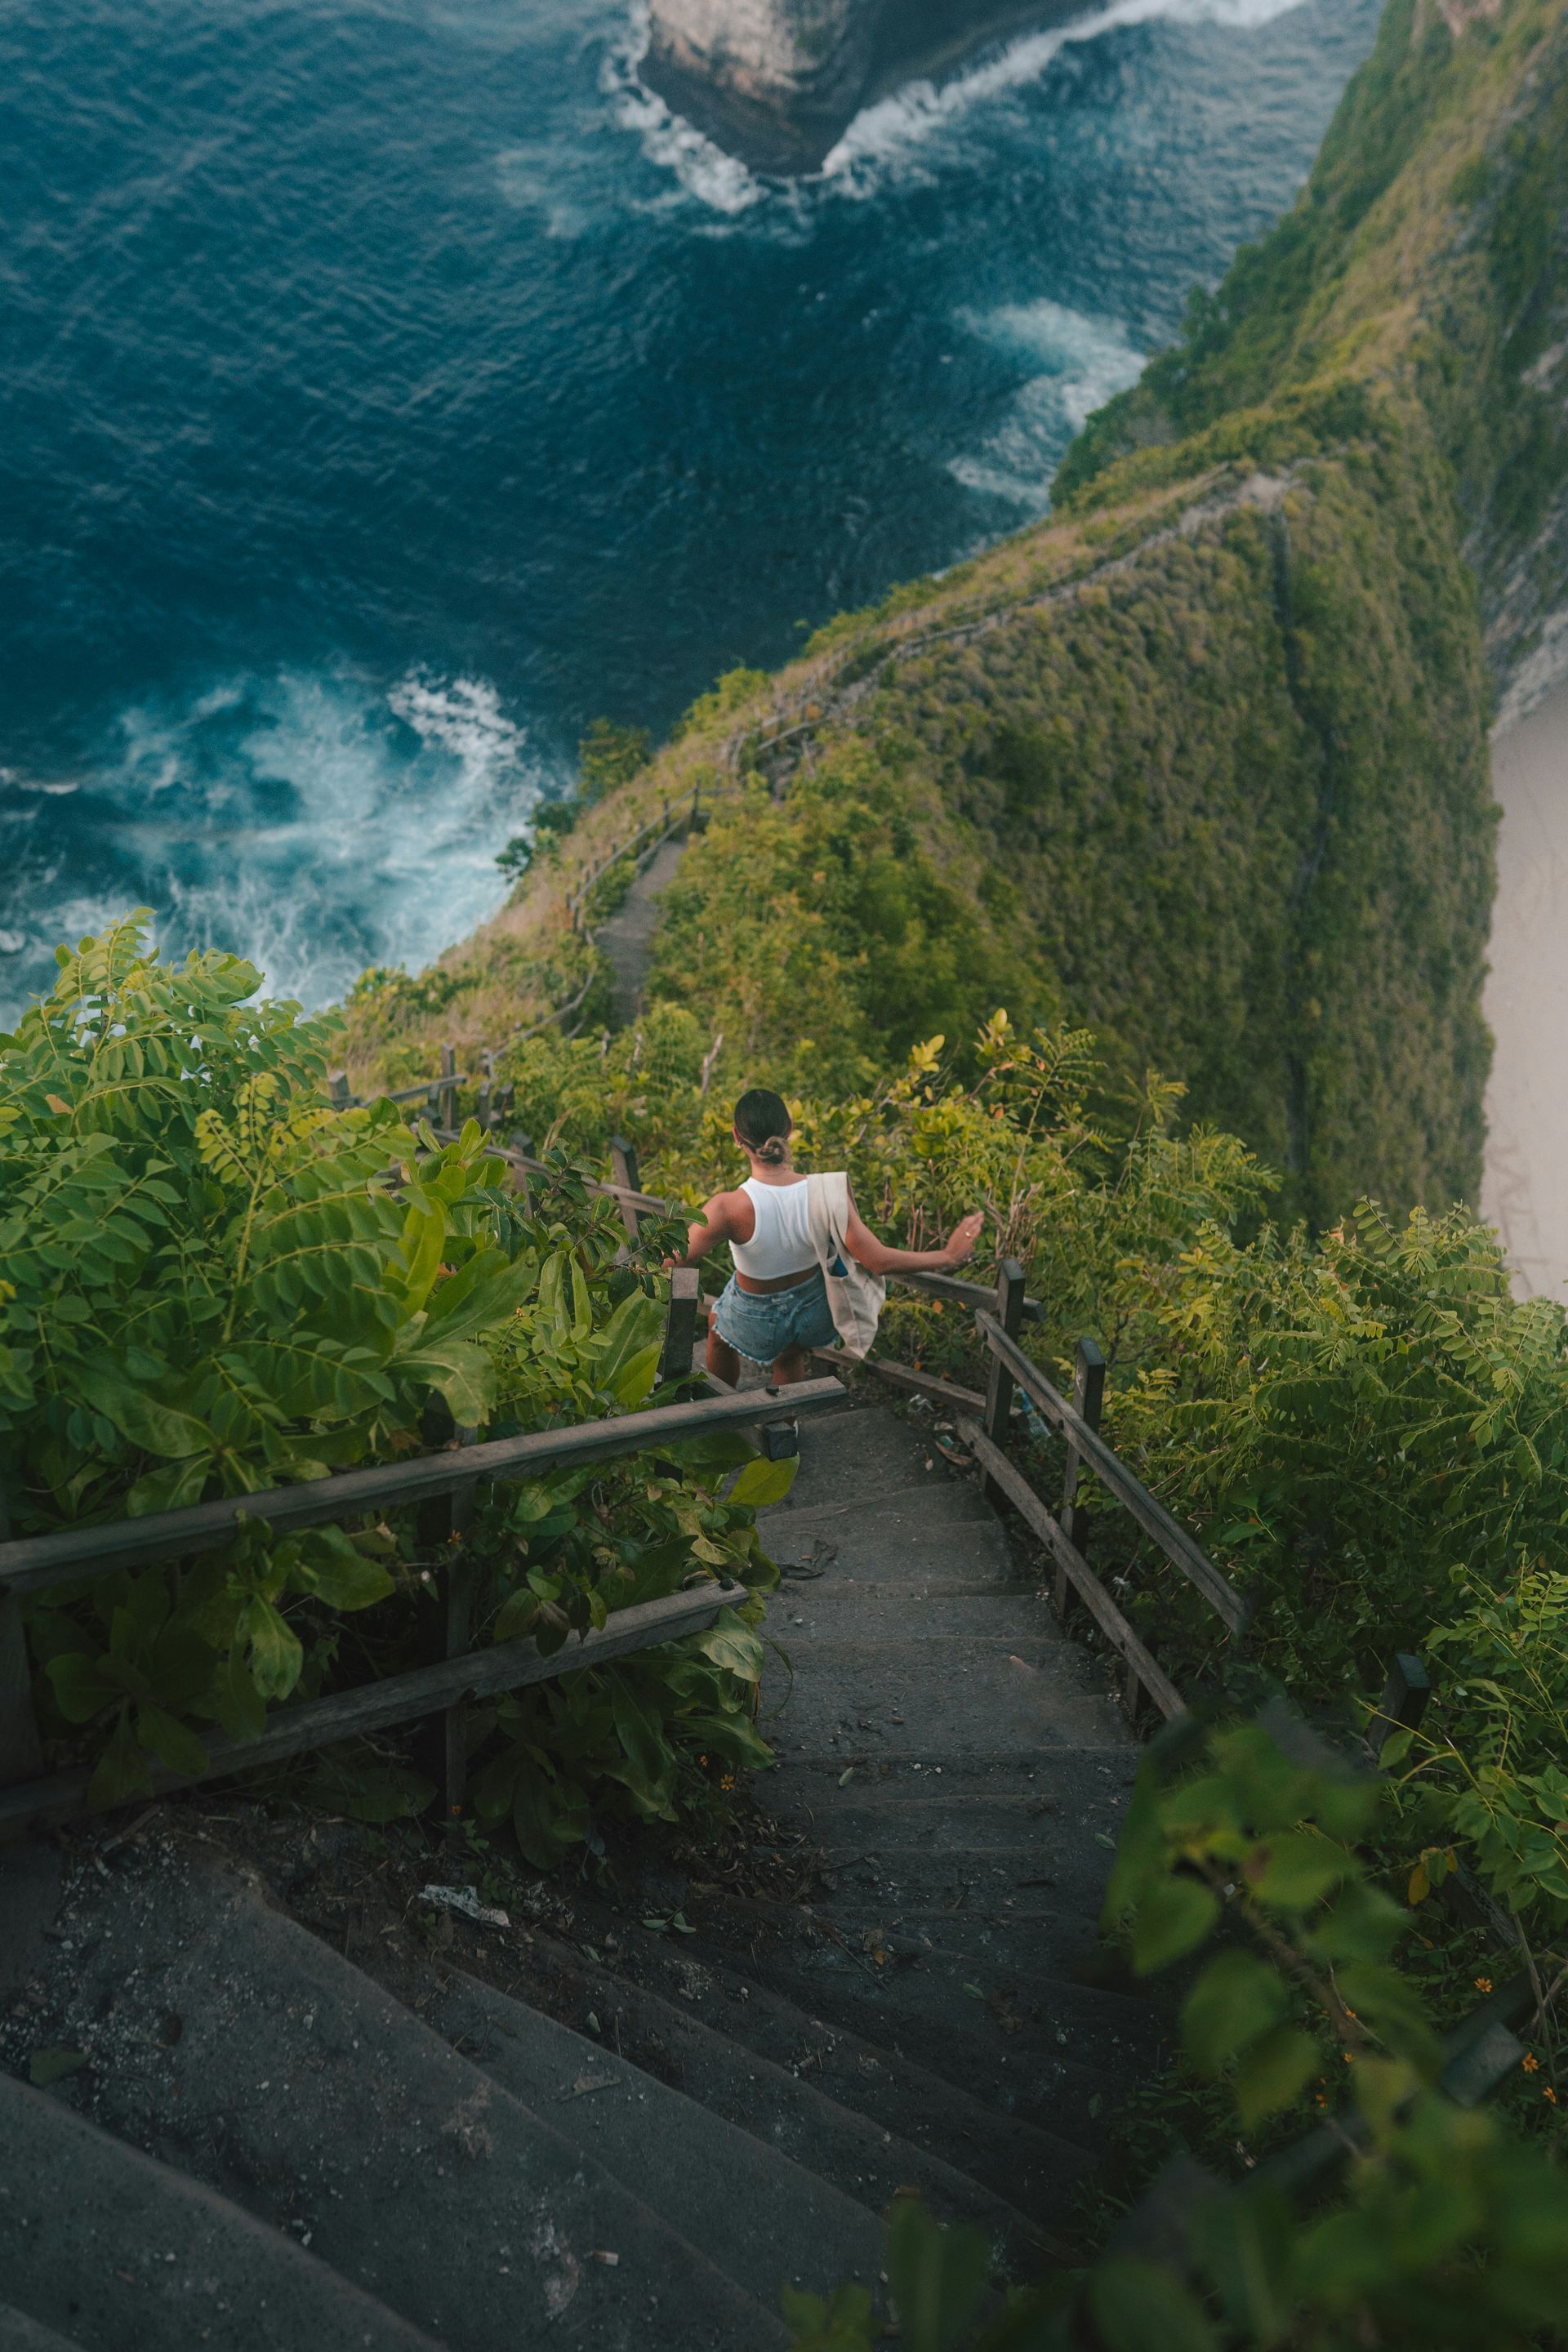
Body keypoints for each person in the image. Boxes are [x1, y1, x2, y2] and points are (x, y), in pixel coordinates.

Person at [680, 1086, 985, 1388]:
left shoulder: (727, 1207)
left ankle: (721, 1410)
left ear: (736, 1136)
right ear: (790, 1128)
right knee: (788, 1354)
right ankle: (787, 1427)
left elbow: (678, 1256)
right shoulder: (827, 1193)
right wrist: (947, 1255)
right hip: (816, 1313)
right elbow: (877, 1260)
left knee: (716, 1329)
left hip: (757, 1318)